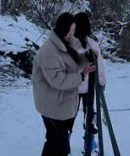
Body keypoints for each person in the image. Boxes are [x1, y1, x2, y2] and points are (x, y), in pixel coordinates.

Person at [32, 13, 97, 156]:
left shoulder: (62, 44)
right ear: (64, 29)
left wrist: (86, 58)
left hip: (57, 102)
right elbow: (58, 79)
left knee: (55, 142)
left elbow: (71, 64)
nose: (73, 34)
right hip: (52, 104)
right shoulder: (50, 51)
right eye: (72, 30)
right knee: (58, 145)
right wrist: (81, 75)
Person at [73, 13, 107, 156]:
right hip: (89, 88)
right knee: (89, 114)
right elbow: (99, 65)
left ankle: (63, 142)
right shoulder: (92, 42)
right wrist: (102, 83)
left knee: (68, 116)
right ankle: (90, 141)